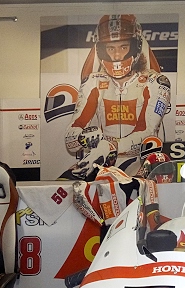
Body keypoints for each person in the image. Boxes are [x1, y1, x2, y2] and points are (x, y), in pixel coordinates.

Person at [61, 14, 171, 180]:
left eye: (123, 47)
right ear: (101, 50)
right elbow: (71, 139)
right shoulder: (94, 81)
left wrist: (110, 146)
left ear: (135, 47)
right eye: (111, 48)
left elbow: (147, 133)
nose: (117, 55)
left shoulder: (155, 82)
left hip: (140, 163)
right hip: (100, 161)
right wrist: (83, 138)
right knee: (62, 188)